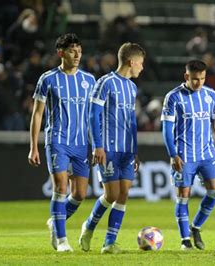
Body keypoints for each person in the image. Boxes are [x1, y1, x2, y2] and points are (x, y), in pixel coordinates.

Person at [28, 33, 96, 252]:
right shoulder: (47, 79)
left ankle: (55, 222)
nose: (77, 55)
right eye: (71, 51)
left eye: (79, 50)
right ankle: (61, 240)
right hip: (57, 140)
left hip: (81, 144)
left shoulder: (89, 80)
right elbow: (37, 114)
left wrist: (96, 145)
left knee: (79, 194)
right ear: (61, 53)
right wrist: (33, 146)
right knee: (60, 187)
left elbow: (93, 116)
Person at [78, 42, 145, 254]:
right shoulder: (105, 83)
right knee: (111, 194)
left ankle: (109, 242)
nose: (142, 68)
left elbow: (131, 121)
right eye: (141, 63)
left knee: (124, 193)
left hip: (127, 150)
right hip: (108, 148)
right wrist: (97, 146)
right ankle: (88, 226)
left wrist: (135, 150)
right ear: (131, 61)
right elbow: (92, 115)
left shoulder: (132, 87)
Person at [161, 60, 215, 250]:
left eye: (202, 79)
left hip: (207, 154)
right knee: (183, 196)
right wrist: (173, 155)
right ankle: (185, 240)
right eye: (195, 79)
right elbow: (167, 129)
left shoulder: (211, 96)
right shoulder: (173, 97)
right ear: (186, 76)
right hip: (184, 155)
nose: (199, 83)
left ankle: (195, 227)